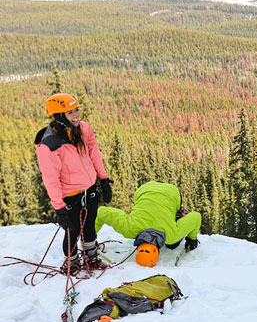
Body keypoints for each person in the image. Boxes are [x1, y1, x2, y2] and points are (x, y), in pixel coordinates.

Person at [35, 93, 113, 275]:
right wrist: (59, 207)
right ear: (60, 117)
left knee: (89, 224)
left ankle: (91, 257)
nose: (76, 114)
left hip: (90, 188)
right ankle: (71, 262)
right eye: (70, 112)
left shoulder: (84, 129)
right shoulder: (49, 146)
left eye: (77, 109)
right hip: (69, 195)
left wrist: (103, 179)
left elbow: (95, 155)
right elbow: (50, 179)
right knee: (73, 230)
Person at [95, 181, 201, 266]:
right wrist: (90, 238)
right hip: (144, 190)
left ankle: (177, 215)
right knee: (172, 245)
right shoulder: (129, 229)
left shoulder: (172, 235)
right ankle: (175, 213)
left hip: (169, 192)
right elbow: (102, 212)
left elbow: (196, 217)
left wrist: (192, 239)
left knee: (172, 243)